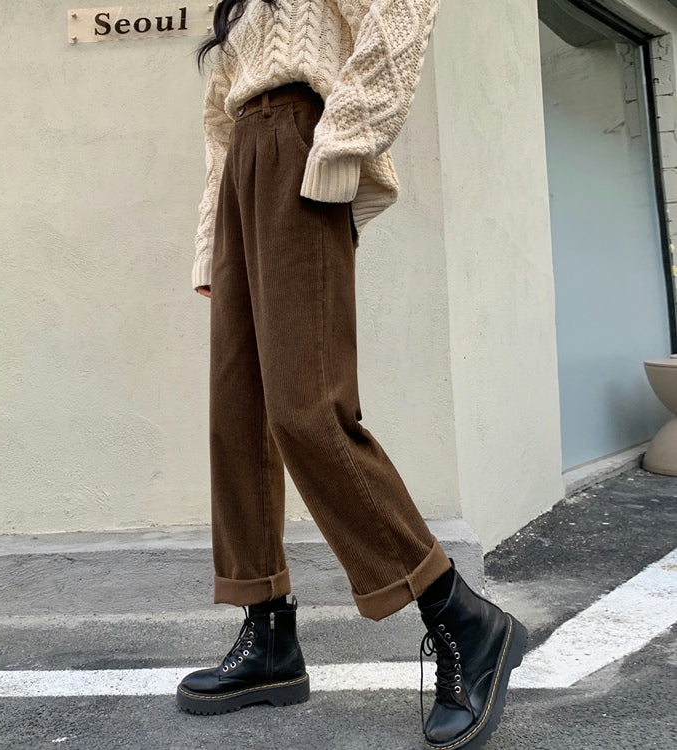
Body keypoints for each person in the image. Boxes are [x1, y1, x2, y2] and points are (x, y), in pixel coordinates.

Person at [176, 0, 528, 747]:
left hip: (302, 143)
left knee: (307, 409)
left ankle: (465, 618)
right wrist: (212, 238)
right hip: (244, 166)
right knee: (236, 413)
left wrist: (342, 140)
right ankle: (268, 636)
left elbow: (404, 10)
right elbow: (218, 123)